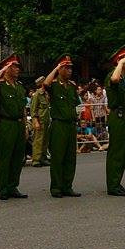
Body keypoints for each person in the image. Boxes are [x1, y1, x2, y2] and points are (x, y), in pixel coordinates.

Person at [0, 54, 28, 200]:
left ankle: (13, 186)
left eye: (17, 66)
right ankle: (3, 188)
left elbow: (23, 108)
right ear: (7, 68)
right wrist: (2, 70)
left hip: (18, 124)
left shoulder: (19, 87)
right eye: (14, 66)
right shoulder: (0, 85)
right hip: (6, 123)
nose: (17, 69)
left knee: (18, 157)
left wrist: (24, 127)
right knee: (5, 157)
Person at [41, 54, 80, 198]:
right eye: (66, 68)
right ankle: (56, 187)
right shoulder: (54, 85)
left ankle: (67, 186)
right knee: (58, 157)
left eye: (70, 68)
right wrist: (56, 68)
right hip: (59, 124)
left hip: (70, 124)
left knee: (70, 157)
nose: (70, 71)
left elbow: (76, 104)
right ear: (60, 69)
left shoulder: (72, 86)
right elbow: (45, 84)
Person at [104, 47, 125, 196]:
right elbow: (114, 79)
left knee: (123, 152)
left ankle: (117, 182)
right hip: (118, 116)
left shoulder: (124, 80)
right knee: (116, 152)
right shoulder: (114, 76)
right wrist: (120, 64)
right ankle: (112, 185)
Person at [29, 76, 50, 167]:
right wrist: (35, 121)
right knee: (38, 140)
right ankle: (36, 160)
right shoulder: (37, 95)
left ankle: (43, 157)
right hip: (40, 120)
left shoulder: (46, 94)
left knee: (45, 140)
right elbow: (33, 110)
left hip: (46, 120)